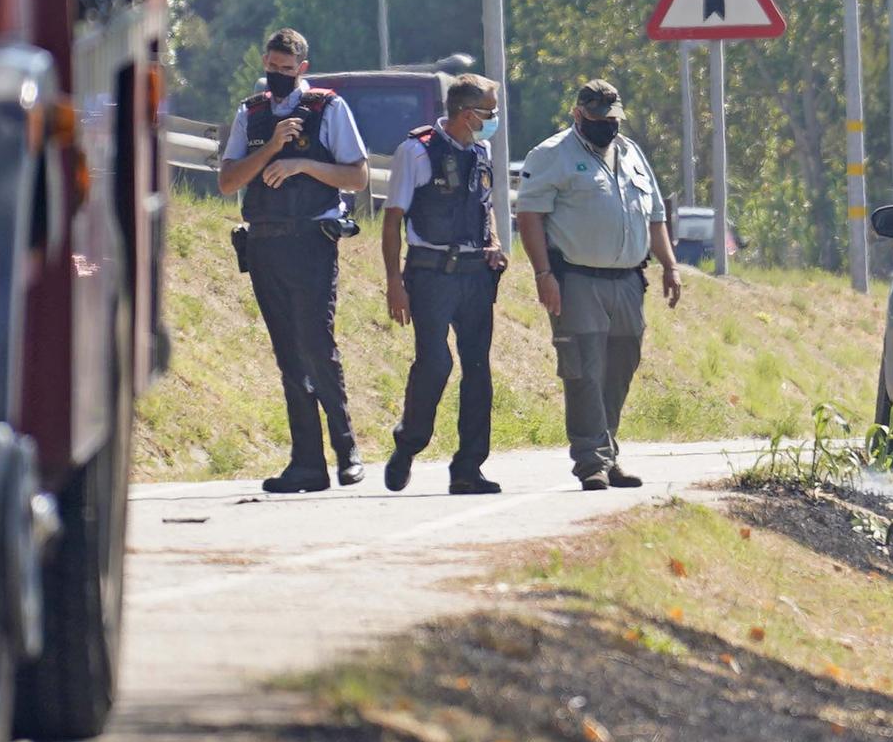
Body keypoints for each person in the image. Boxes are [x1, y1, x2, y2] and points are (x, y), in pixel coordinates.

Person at [218, 28, 371, 493]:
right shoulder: (252, 112)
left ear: (302, 69)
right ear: (264, 62)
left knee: (317, 346)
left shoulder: (329, 108)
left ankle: (346, 450)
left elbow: (358, 176)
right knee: (288, 354)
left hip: (311, 240)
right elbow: (228, 182)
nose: (279, 76)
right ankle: (306, 463)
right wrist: (273, 148)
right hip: (265, 244)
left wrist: (303, 164)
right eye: (273, 67)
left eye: (288, 70)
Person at [515, 79, 682, 491]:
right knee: (584, 371)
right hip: (576, 280)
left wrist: (670, 266)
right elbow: (530, 216)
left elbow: (655, 214)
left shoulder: (631, 153)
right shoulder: (552, 155)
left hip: (627, 280)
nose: (607, 126)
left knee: (620, 367)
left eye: (613, 119)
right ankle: (590, 460)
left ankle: (608, 452)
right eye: (597, 118)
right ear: (578, 115)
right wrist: (543, 275)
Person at [380, 75, 508, 495]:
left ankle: (468, 468)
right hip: (430, 273)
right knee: (435, 364)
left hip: (475, 275)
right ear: (468, 114)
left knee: (477, 371)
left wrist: (493, 242)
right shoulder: (415, 151)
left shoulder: (482, 150)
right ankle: (408, 444)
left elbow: (484, 205)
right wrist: (394, 282)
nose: (494, 120)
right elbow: (393, 220)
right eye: (490, 112)